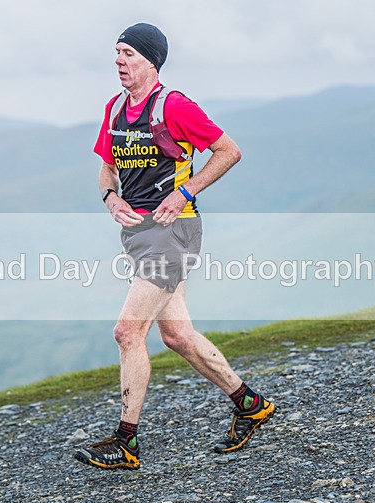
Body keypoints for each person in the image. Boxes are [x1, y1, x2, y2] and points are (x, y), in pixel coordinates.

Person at [74, 23, 275, 470]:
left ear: (151, 60)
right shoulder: (114, 109)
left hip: (175, 232)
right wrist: (110, 197)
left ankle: (126, 442)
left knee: (128, 332)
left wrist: (185, 191)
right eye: (117, 53)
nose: (118, 61)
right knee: (177, 335)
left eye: (127, 53)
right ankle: (250, 405)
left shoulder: (174, 106)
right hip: (141, 233)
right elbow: (107, 167)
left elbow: (228, 150)